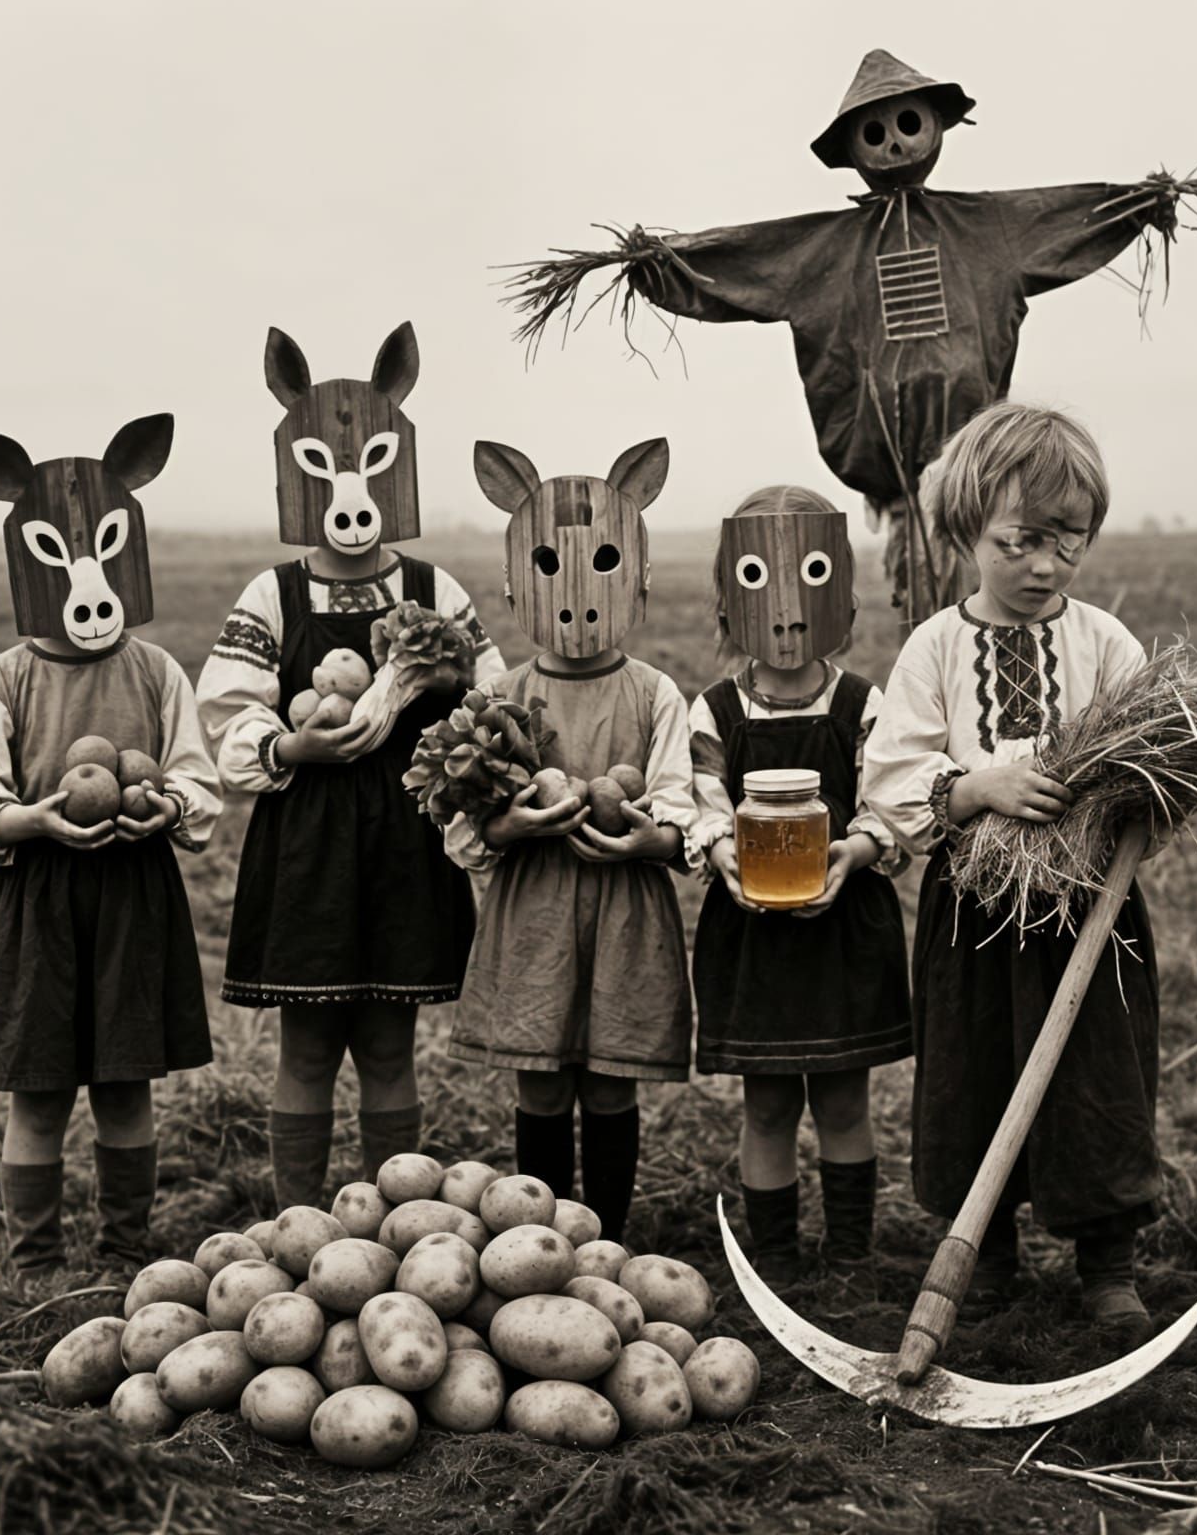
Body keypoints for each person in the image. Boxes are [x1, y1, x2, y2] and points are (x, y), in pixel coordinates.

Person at [863, 401, 1160, 1341]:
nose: (1045, 567)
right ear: (966, 529)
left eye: (1069, 542)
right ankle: (984, 1253)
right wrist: (973, 788)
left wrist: (1144, 802)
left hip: (1090, 909)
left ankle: (1107, 1263)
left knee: (1098, 1077)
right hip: (975, 912)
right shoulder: (937, 648)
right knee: (971, 1074)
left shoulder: (1106, 644)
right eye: (1020, 541)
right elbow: (893, 775)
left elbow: (1155, 763)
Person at [197, 324, 503, 1206]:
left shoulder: (435, 590)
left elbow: (492, 693)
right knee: (306, 1046)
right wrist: (290, 746)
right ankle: (298, 1219)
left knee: (388, 1044)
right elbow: (229, 709)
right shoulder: (275, 592)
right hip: (311, 837)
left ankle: (391, 1221)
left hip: (407, 832)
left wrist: (448, 688)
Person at [0, 415, 221, 1275]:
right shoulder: (3, 680)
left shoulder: (156, 672)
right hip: (39, 899)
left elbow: (196, 777)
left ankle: (125, 1247)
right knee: (40, 1094)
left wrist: (165, 808)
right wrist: (29, 819)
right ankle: (34, 1264)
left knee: (126, 1085)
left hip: (134, 894)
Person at [445, 437, 695, 1246]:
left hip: (625, 908)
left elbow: (681, 806)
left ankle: (606, 1243)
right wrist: (512, 824)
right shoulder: (500, 695)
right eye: (550, 569)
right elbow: (466, 825)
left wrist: (647, 840)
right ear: (517, 583)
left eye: (605, 568)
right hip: (536, 911)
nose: (579, 597)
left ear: (638, 583)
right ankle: (542, 1244)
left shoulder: (654, 693)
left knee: (612, 1082)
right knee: (543, 1082)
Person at [688, 486, 910, 1300]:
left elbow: (892, 800)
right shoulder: (714, 712)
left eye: (809, 586)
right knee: (770, 1105)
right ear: (729, 604)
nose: (785, 620)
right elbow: (702, 805)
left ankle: (851, 1255)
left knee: (845, 1102)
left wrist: (857, 850)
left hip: (842, 930)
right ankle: (776, 1259)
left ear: (840, 601)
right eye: (759, 589)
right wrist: (724, 857)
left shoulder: (863, 704)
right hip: (756, 937)